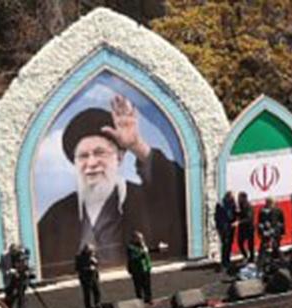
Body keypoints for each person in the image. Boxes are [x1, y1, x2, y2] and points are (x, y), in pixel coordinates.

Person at [33, 93, 188, 273]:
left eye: (99, 153)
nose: (91, 163)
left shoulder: (146, 201)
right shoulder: (56, 217)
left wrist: (136, 145)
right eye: (83, 156)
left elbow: (181, 190)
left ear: (119, 157)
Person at [124, 227, 153, 305]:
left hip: (145, 268)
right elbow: (133, 257)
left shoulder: (142, 245)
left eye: (142, 238)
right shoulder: (131, 247)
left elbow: (148, 251)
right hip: (137, 270)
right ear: (135, 238)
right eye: (140, 238)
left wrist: (158, 249)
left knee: (147, 285)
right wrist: (142, 253)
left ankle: (148, 299)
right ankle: (139, 300)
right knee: (138, 286)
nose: (141, 240)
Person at [74, 242, 103, 308]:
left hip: (94, 277)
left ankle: (98, 306)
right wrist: (87, 268)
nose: (92, 253)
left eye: (92, 251)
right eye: (90, 251)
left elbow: (97, 264)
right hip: (85, 278)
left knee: (97, 292)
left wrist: (95, 262)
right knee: (87, 294)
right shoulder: (79, 257)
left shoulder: (93, 256)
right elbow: (77, 268)